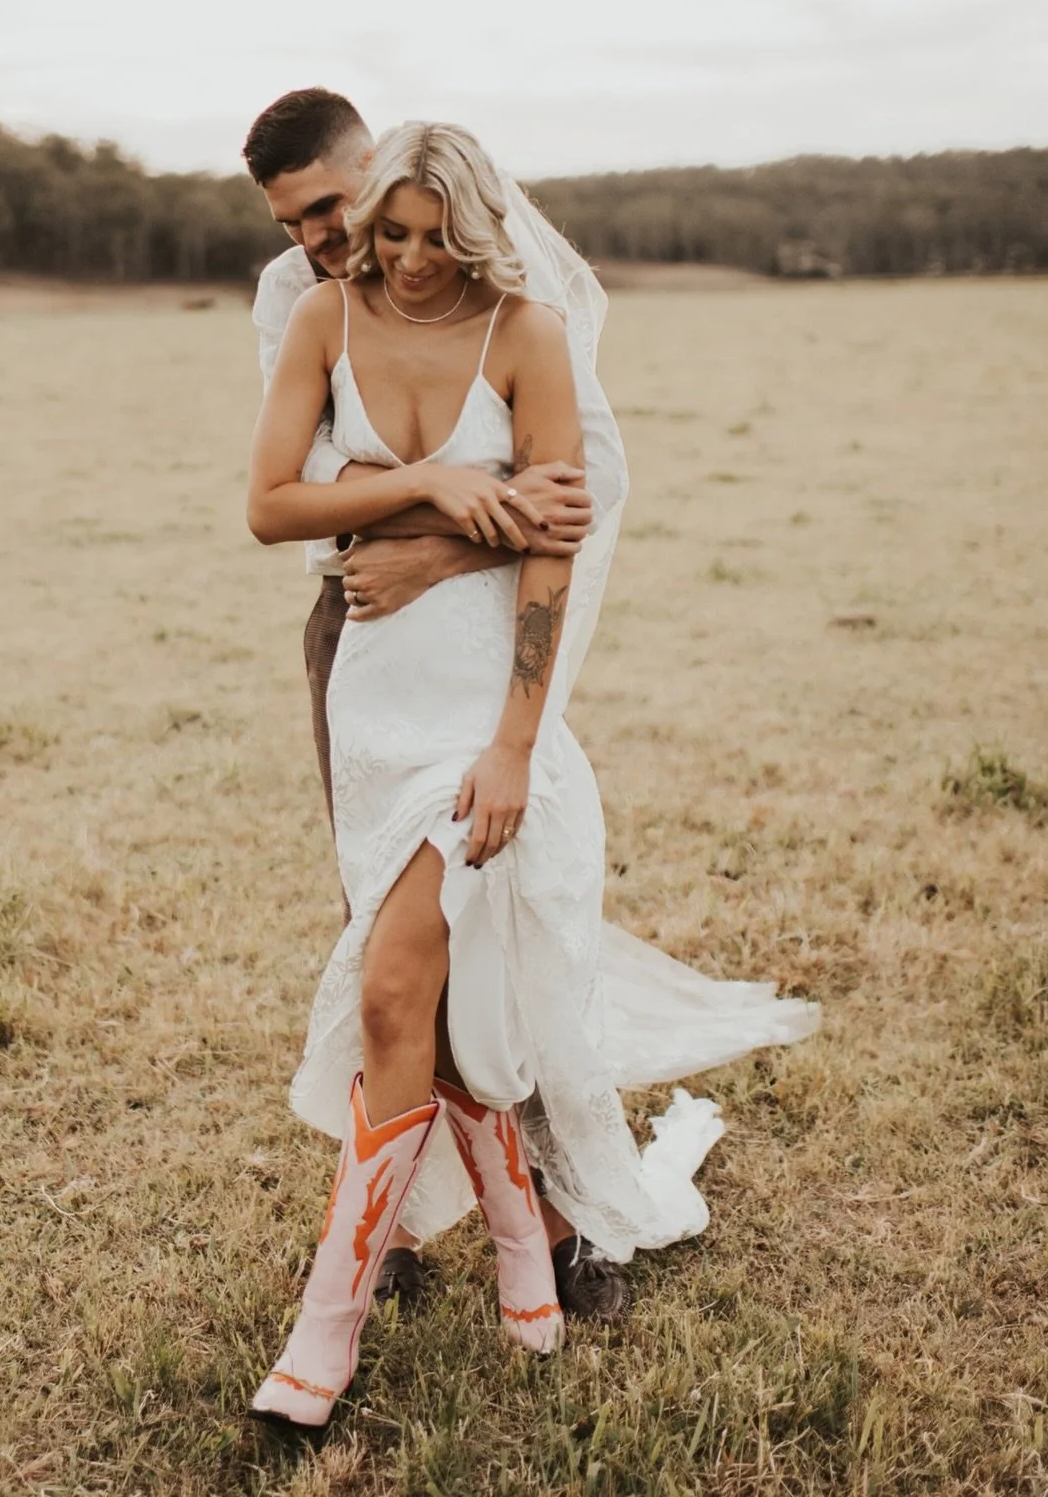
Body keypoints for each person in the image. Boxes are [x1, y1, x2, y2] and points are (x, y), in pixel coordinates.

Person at [244, 121, 819, 1428]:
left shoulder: (527, 325)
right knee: (413, 980)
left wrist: (483, 653)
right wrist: (442, 485)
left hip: (479, 677)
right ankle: (478, 1235)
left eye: (358, 216)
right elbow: (283, 495)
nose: (351, 247)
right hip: (367, 669)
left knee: (446, 970)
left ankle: (424, 1284)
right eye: (329, 228)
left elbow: (571, 501)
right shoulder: (304, 305)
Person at [243, 89, 635, 1326]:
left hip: (482, 630)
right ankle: (392, 1219)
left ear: (382, 166)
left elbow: (588, 483)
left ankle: (566, 1225)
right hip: (357, 630)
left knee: (507, 916)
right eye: (298, 220)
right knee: (382, 926)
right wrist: (429, 502)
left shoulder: (517, 297)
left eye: (328, 207)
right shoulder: (293, 299)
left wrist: (444, 552)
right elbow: (315, 480)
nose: (325, 236)